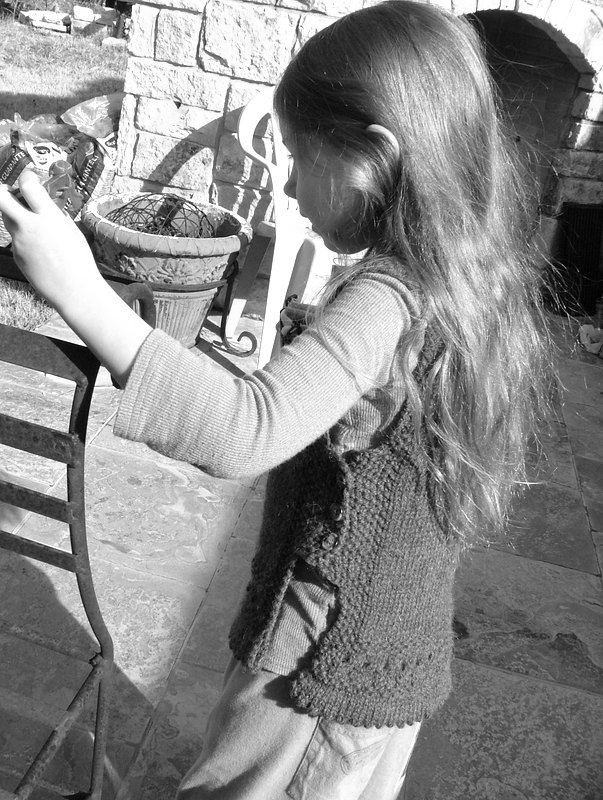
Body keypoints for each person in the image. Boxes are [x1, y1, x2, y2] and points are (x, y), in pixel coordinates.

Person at [0, 2, 554, 797]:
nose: (287, 187)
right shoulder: (469, 269)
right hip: (381, 649)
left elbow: (244, 430)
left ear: (376, 154)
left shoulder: (389, 298)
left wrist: (78, 289)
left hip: (316, 667)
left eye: (298, 159)